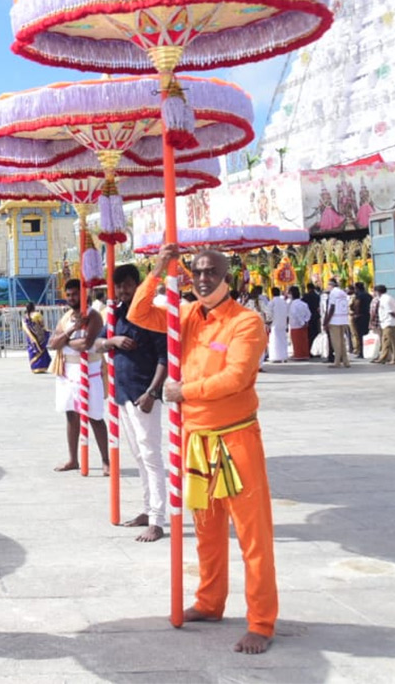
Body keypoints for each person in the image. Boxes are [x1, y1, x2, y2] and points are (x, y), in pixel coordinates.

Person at [127, 245, 275, 654]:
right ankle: (210, 602)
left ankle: (261, 621)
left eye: (212, 271)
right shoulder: (187, 315)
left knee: (253, 536)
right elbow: (138, 315)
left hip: (237, 438)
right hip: (197, 442)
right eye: (196, 271)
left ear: (228, 276)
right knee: (207, 531)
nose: (203, 278)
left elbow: (236, 378)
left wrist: (183, 391)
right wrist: (158, 270)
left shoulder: (247, 322)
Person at [93, 265, 167, 543]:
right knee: (139, 455)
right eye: (119, 286)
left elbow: (165, 357)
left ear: (138, 285)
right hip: (123, 395)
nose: (124, 291)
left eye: (128, 285)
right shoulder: (116, 314)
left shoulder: (151, 316)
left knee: (151, 455)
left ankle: (158, 519)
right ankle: (148, 510)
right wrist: (112, 340)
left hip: (143, 395)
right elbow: (97, 343)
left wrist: (152, 391)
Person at [46, 279, 108, 474]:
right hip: (68, 372)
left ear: (85, 295)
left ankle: (106, 460)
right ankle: (73, 459)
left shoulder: (94, 316)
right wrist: (72, 331)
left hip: (90, 370)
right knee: (71, 415)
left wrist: (65, 342)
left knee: (95, 415)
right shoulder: (66, 318)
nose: (72, 298)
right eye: (69, 295)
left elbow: (86, 344)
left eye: (75, 294)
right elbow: (53, 343)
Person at [323, 278, 352, 368]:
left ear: (331, 285)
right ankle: (346, 361)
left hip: (334, 320)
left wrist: (326, 321)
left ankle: (337, 361)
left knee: (336, 342)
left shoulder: (333, 293)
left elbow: (332, 307)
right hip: (343, 319)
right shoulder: (342, 293)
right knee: (342, 341)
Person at [372, 284, 395, 365]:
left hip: (388, 322)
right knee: (391, 341)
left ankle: (385, 358)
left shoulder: (385, 300)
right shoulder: (388, 297)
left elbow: (391, 311)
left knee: (387, 341)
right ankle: (393, 358)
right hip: (388, 322)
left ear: (378, 292)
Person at [21, 301, 50, 374]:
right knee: (41, 350)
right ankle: (42, 367)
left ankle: (35, 368)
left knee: (33, 351)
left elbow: (25, 327)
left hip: (31, 338)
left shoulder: (25, 317)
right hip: (40, 336)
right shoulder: (37, 315)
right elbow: (42, 324)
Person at [287, 287, 311, 360]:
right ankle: (305, 354)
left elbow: (295, 314)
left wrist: (301, 322)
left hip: (295, 325)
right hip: (304, 325)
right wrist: (306, 321)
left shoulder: (293, 304)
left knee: (297, 341)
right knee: (303, 340)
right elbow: (309, 314)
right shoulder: (304, 304)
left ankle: (298, 355)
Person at [350, 283, 372, 359]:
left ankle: (361, 352)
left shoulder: (359, 296)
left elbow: (356, 305)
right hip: (367, 316)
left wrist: (355, 313)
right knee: (366, 334)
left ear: (357, 288)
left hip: (360, 316)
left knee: (360, 335)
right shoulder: (369, 295)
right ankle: (366, 351)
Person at [267, 286, 288, 363]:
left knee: (275, 340)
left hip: (275, 324)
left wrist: (268, 322)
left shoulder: (272, 302)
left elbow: (269, 314)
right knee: (283, 340)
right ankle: (284, 356)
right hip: (283, 323)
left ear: (272, 293)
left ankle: (276, 357)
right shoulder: (284, 301)